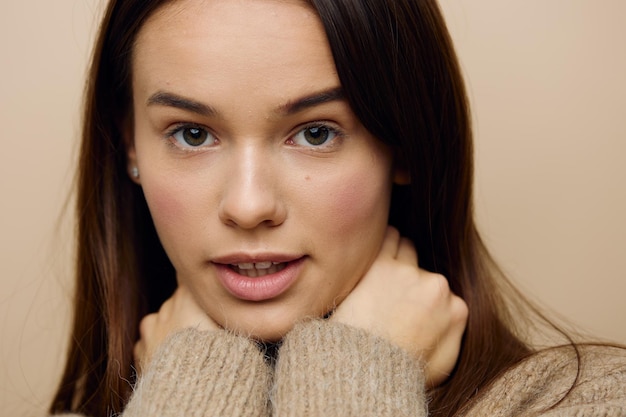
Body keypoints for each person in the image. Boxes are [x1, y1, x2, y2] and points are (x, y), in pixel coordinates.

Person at [49, 0, 626, 416]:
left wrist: (358, 368)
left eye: (317, 133)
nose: (249, 206)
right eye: (192, 135)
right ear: (131, 147)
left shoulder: (587, 401)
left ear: (404, 143)